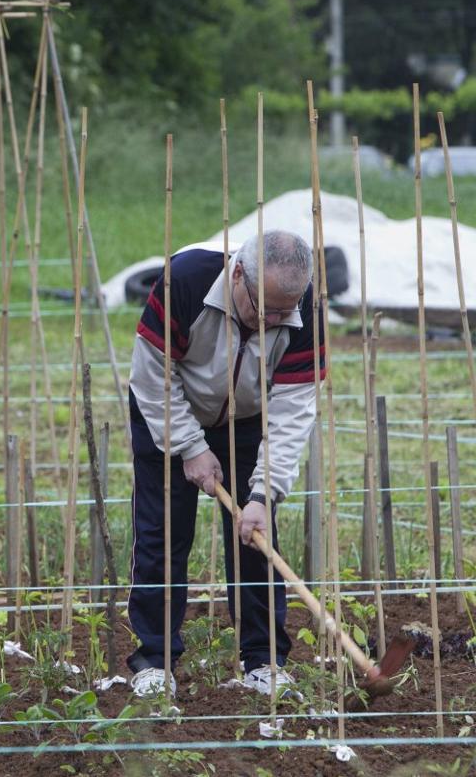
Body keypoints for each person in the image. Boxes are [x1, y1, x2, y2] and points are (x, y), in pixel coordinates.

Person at [126, 230, 323, 699]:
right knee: (163, 535)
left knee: (256, 537)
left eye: (284, 313)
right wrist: (190, 446)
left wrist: (262, 493)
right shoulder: (186, 282)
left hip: (248, 419)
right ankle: (154, 661)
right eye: (266, 309)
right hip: (169, 411)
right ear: (238, 274)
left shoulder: (304, 307)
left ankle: (264, 661)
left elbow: (295, 409)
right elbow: (153, 377)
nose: (275, 320)